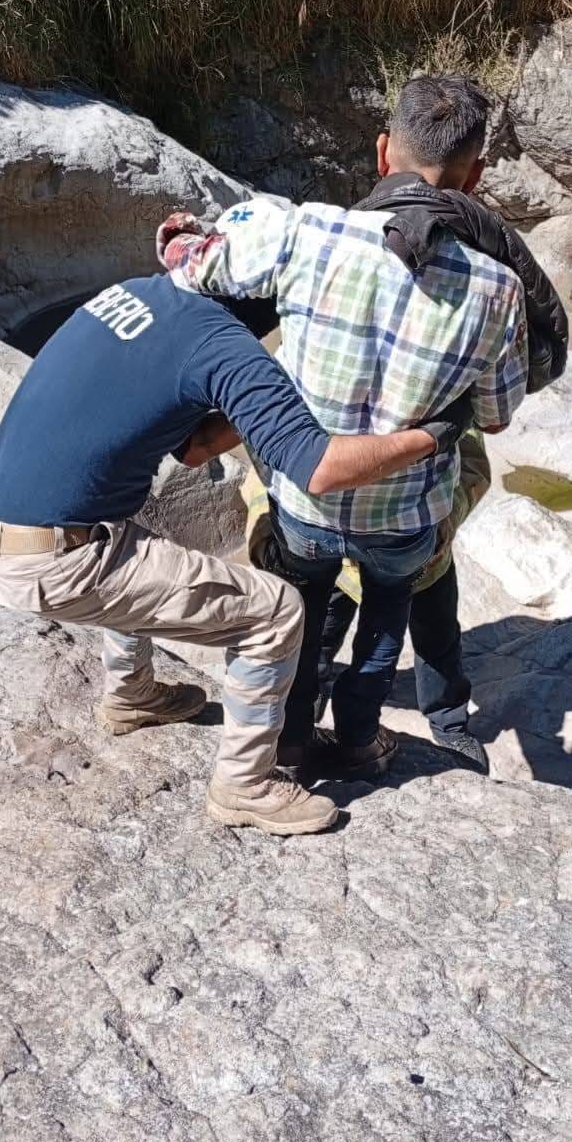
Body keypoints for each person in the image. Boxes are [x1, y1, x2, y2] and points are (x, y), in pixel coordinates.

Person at [0, 271, 445, 836]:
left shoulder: (137, 293)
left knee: (138, 544)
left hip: (20, 531)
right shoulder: (224, 345)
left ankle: (132, 695)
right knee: (275, 610)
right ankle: (245, 785)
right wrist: (433, 437)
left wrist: (252, 408)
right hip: (65, 562)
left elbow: (193, 449)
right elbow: (320, 469)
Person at [165, 76, 531, 778]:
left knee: (299, 618)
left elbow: (197, 267)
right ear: (475, 177)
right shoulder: (498, 288)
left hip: (304, 500)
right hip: (404, 514)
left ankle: (294, 740)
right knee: (384, 630)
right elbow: (496, 414)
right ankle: (362, 740)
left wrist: (175, 238)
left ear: (384, 149)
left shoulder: (306, 232)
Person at [244, 428, 493, 771]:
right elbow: (264, 465)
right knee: (318, 632)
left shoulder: (440, 391)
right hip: (332, 552)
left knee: (436, 638)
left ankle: (448, 722)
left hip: (417, 555)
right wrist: (266, 537)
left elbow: (473, 462)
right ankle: (310, 712)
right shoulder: (305, 390)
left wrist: (440, 530)